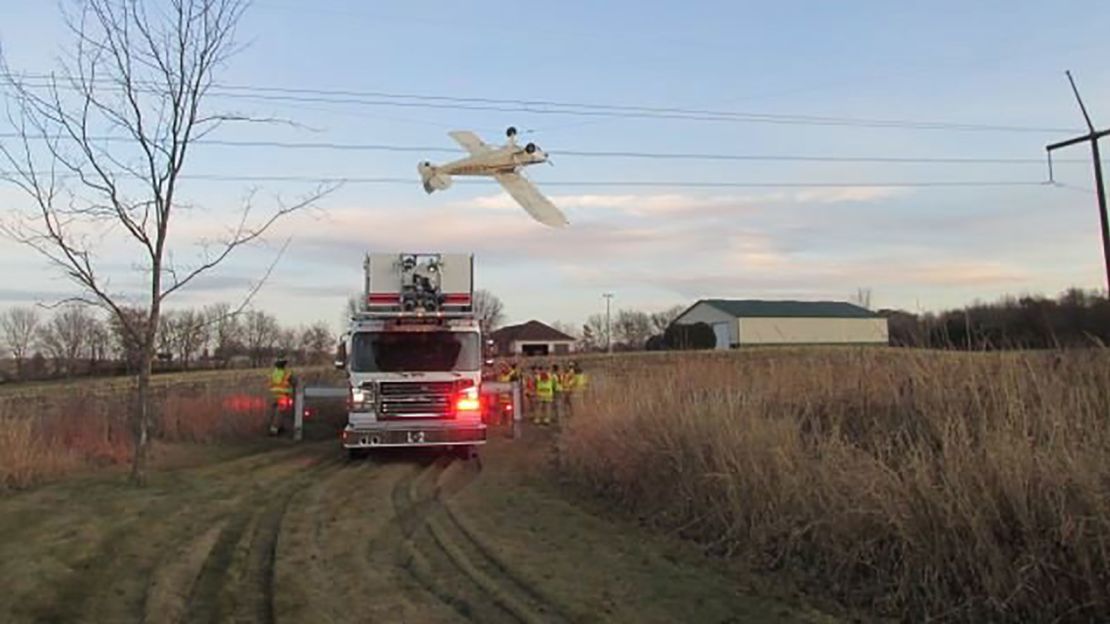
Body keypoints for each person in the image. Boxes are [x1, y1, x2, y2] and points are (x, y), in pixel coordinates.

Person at [268, 356, 295, 436]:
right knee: (280, 414)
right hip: (283, 396)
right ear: (284, 364)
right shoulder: (287, 373)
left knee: (273, 413)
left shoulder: (273, 373)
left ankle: (275, 427)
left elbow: (270, 384)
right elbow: (294, 383)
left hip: (273, 396)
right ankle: (274, 431)